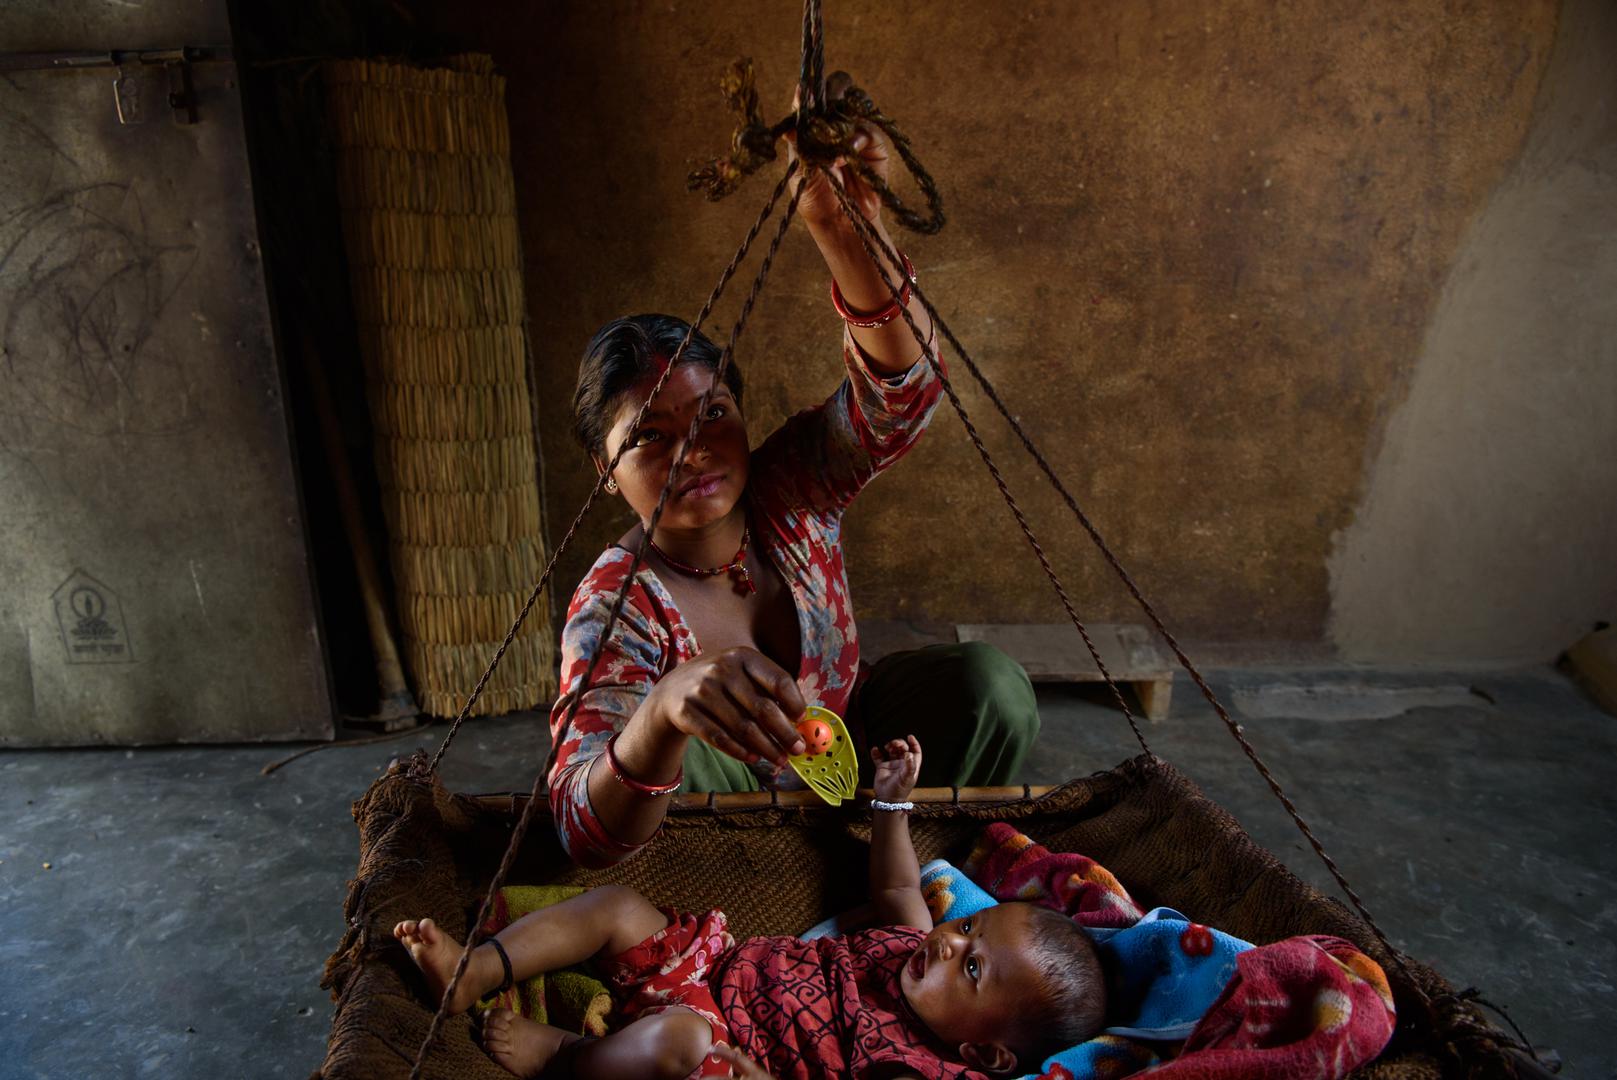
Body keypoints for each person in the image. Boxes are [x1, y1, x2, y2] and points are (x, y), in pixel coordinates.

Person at [549, 78, 1039, 867]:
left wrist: (847, 231)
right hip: (732, 853)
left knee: (990, 686)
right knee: (673, 748)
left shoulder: (791, 488)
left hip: (860, 782)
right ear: (602, 470)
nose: (693, 451)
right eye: (649, 436)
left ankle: (912, 871)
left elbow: (902, 397)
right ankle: (765, 921)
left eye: (711, 416)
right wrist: (666, 711)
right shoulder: (618, 605)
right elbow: (576, 824)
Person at [394, 736, 1107, 1079]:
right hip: (708, 967)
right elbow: (896, 890)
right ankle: (476, 971)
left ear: (982, 1051)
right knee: (617, 906)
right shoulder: (906, 948)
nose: (949, 943)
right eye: (966, 928)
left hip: (727, 1055)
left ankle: (570, 1058)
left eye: (973, 968)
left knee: (683, 1046)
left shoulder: (916, 1071)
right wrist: (892, 804)